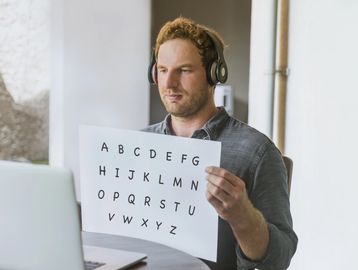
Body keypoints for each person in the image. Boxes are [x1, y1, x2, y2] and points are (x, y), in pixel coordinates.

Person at [144, 16, 297, 270]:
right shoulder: (137, 145)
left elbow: (279, 259)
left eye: (183, 70)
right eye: (162, 70)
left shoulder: (257, 152)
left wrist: (243, 217)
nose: (169, 83)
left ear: (214, 74)